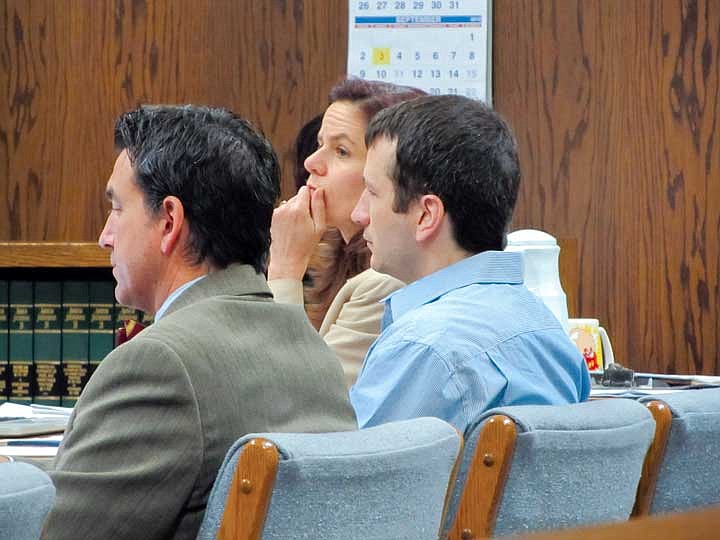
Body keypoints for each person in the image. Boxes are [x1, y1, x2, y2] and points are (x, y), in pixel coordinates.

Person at [42, 105, 356, 540]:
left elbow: (55, 533)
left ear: (169, 221)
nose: (104, 237)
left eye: (116, 209)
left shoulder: (159, 364)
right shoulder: (310, 350)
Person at [349, 95, 590, 435]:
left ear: (426, 215)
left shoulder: (422, 348)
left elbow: (349, 483)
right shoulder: (547, 332)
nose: (358, 214)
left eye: (372, 193)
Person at [268, 78, 425, 386]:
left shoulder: (388, 280)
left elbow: (299, 399)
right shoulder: (335, 250)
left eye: (340, 151)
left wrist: (284, 267)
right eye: (319, 144)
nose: (311, 163)